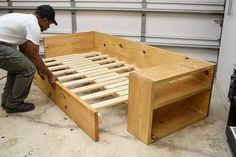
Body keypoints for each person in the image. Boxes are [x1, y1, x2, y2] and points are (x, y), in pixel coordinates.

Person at [0, 5, 58, 113]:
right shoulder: (33, 25)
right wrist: (50, 75)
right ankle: (14, 104)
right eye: (49, 24)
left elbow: (25, 50)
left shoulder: (25, 19)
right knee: (28, 69)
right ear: (44, 19)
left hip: (4, 44)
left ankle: (7, 101)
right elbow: (34, 55)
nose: (48, 27)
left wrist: (40, 68)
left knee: (19, 67)